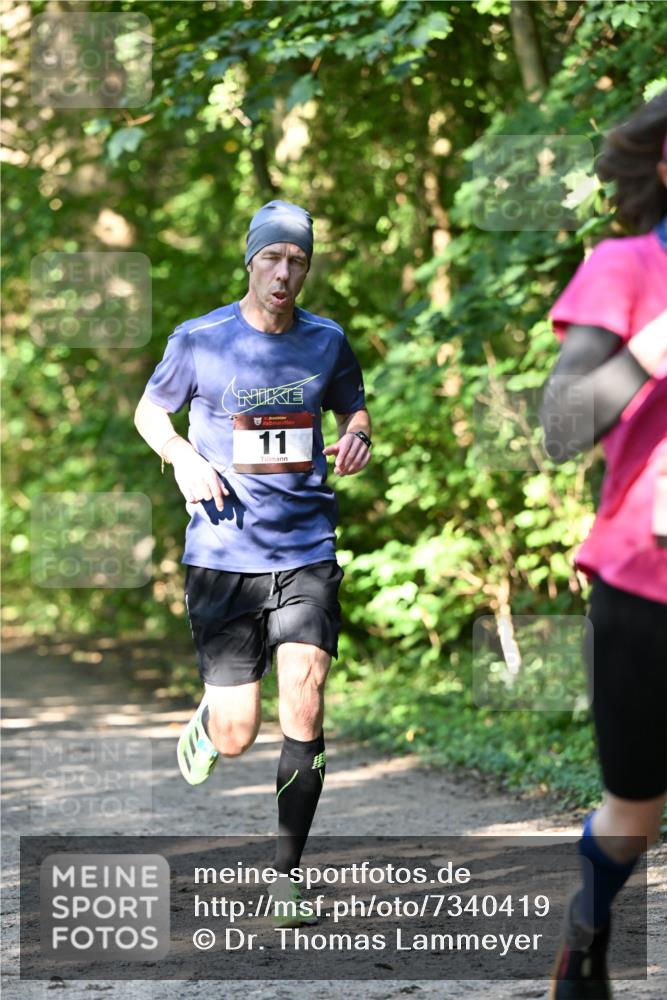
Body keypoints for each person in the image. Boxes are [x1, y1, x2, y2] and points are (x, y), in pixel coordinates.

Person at [134, 200, 371, 923]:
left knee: (305, 691)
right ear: (250, 260)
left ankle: (286, 874)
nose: (284, 271)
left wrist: (357, 437)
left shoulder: (325, 341)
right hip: (221, 555)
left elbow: (353, 407)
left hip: (304, 548)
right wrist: (179, 456)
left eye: (297, 260)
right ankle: (211, 720)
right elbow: (150, 412)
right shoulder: (199, 338)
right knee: (238, 735)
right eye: (272, 257)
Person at [540, 90, 667, 999]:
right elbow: (558, 427)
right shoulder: (627, 267)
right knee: (636, 804)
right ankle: (587, 934)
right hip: (645, 578)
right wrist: (646, 353)